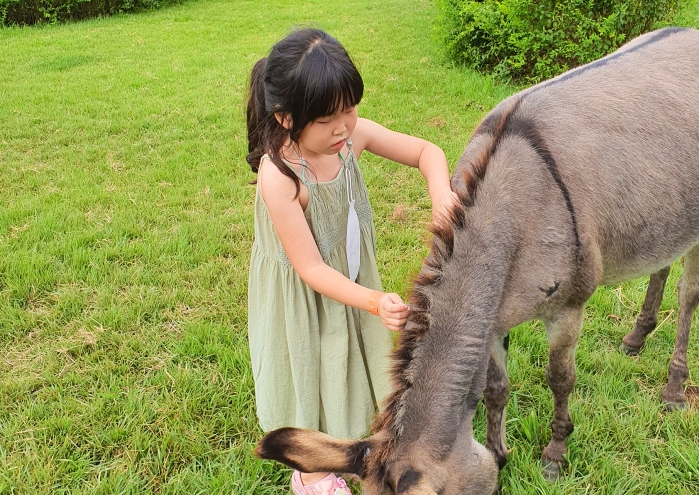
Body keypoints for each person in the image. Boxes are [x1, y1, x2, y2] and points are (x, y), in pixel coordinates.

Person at [245, 27, 457, 495]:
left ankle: (354, 434)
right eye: (327, 119)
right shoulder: (281, 177)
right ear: (285, 117)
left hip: (352, 277)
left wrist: (441, 194)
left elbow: (427, 152)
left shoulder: (350, 137)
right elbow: (311, 270)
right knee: (311, 370)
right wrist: (374, 300)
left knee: (352, 359)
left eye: (350, 109)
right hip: (306, 293)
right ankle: (312, 473)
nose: (343, 127)